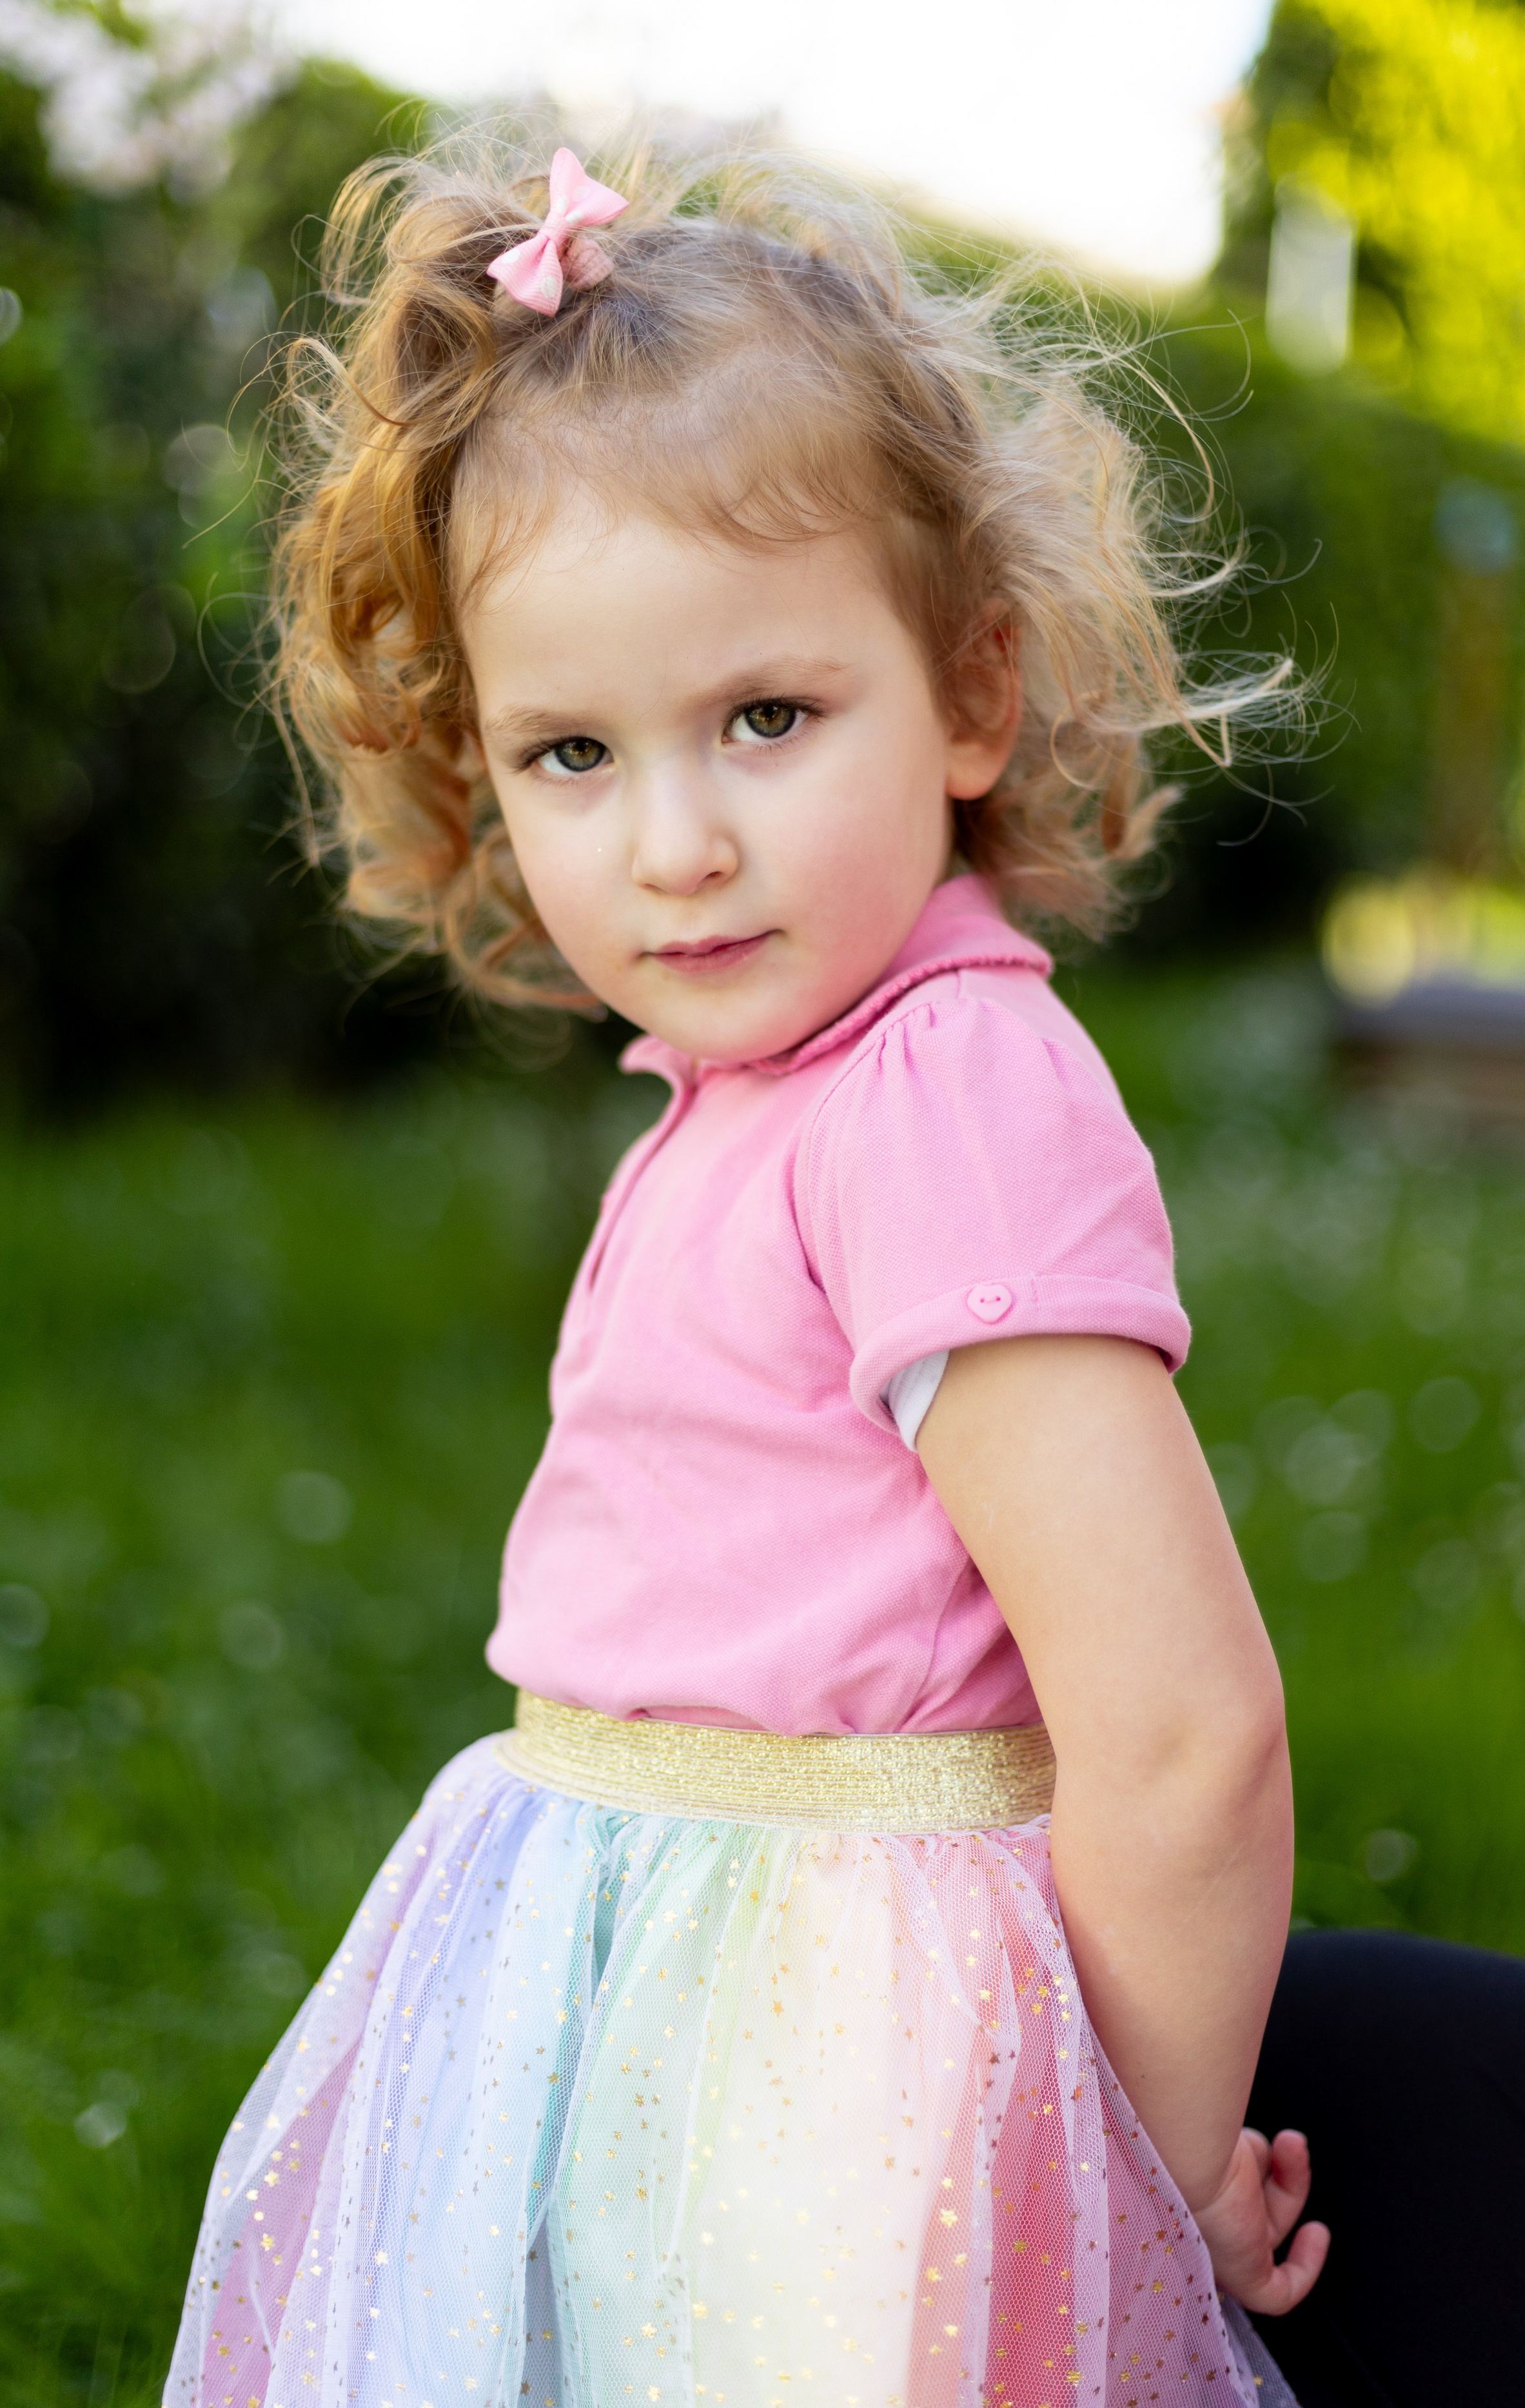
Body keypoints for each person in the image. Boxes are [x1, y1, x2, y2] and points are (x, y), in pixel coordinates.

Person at [164, 141, 1323, 2408]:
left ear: (974, 695)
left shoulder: (940, 1096)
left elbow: (1185, 1734)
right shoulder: (772, 1086)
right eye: (573, 755)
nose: (674, 844)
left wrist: (1136, 2183)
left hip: (838, 2077)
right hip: (656, 1999)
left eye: (766, 721)